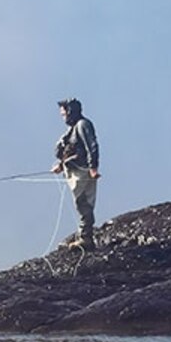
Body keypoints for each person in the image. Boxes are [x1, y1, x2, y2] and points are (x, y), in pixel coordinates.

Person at [54, 98, 100, 252]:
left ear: (71, 111)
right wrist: (61, 165)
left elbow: (92, 146)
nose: (63, 117)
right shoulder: (73, 128)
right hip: (75, 171)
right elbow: (69, 150)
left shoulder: (83, 125)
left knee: (83, 203)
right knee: (80, 203)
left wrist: (93, 168)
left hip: (83, 171)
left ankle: (86, 238)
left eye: (64, 114)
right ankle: (84, 236)